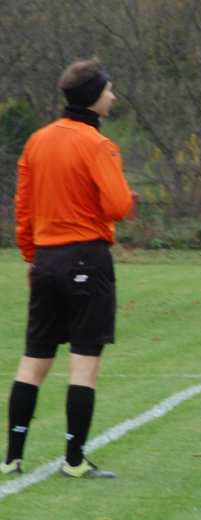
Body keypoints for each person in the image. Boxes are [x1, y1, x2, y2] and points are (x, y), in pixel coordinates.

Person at [0, 59, 135, 479]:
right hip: (86, 259)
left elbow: (23, 208)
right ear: (95, 97)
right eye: (109, 89)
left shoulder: (37, 141)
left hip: (45, 259)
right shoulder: (98, 146)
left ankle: (11, 457)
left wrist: (31, 257)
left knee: (33, 361)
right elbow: (119, 206)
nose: (113, 95)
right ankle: (74, 461)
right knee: (84, 363)